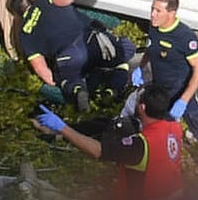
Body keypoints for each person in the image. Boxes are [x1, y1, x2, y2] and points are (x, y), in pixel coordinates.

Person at [9, 0, 132, 112]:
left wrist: (57, 81)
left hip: (69, 56)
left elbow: (42, 71)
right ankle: (111, 90)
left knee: (68, 80)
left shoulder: (24, 34)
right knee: (122, 57)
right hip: (91, 40)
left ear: (18, 15)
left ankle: (77, 90)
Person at [33, 84, 186, 200]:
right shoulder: (174, 127)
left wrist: (63, 128)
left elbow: (98, 151)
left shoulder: (140, 146)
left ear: (142, 107)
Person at [139, 0, 198, 158]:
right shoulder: (154, 27)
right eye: (152, 9)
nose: (152, 14)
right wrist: (141, 67)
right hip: (161, 90)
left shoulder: (184, 37)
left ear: (171, 13)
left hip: (184, 90)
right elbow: (151, 48)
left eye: (158, 11)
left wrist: (184, 100)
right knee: (157, 125)